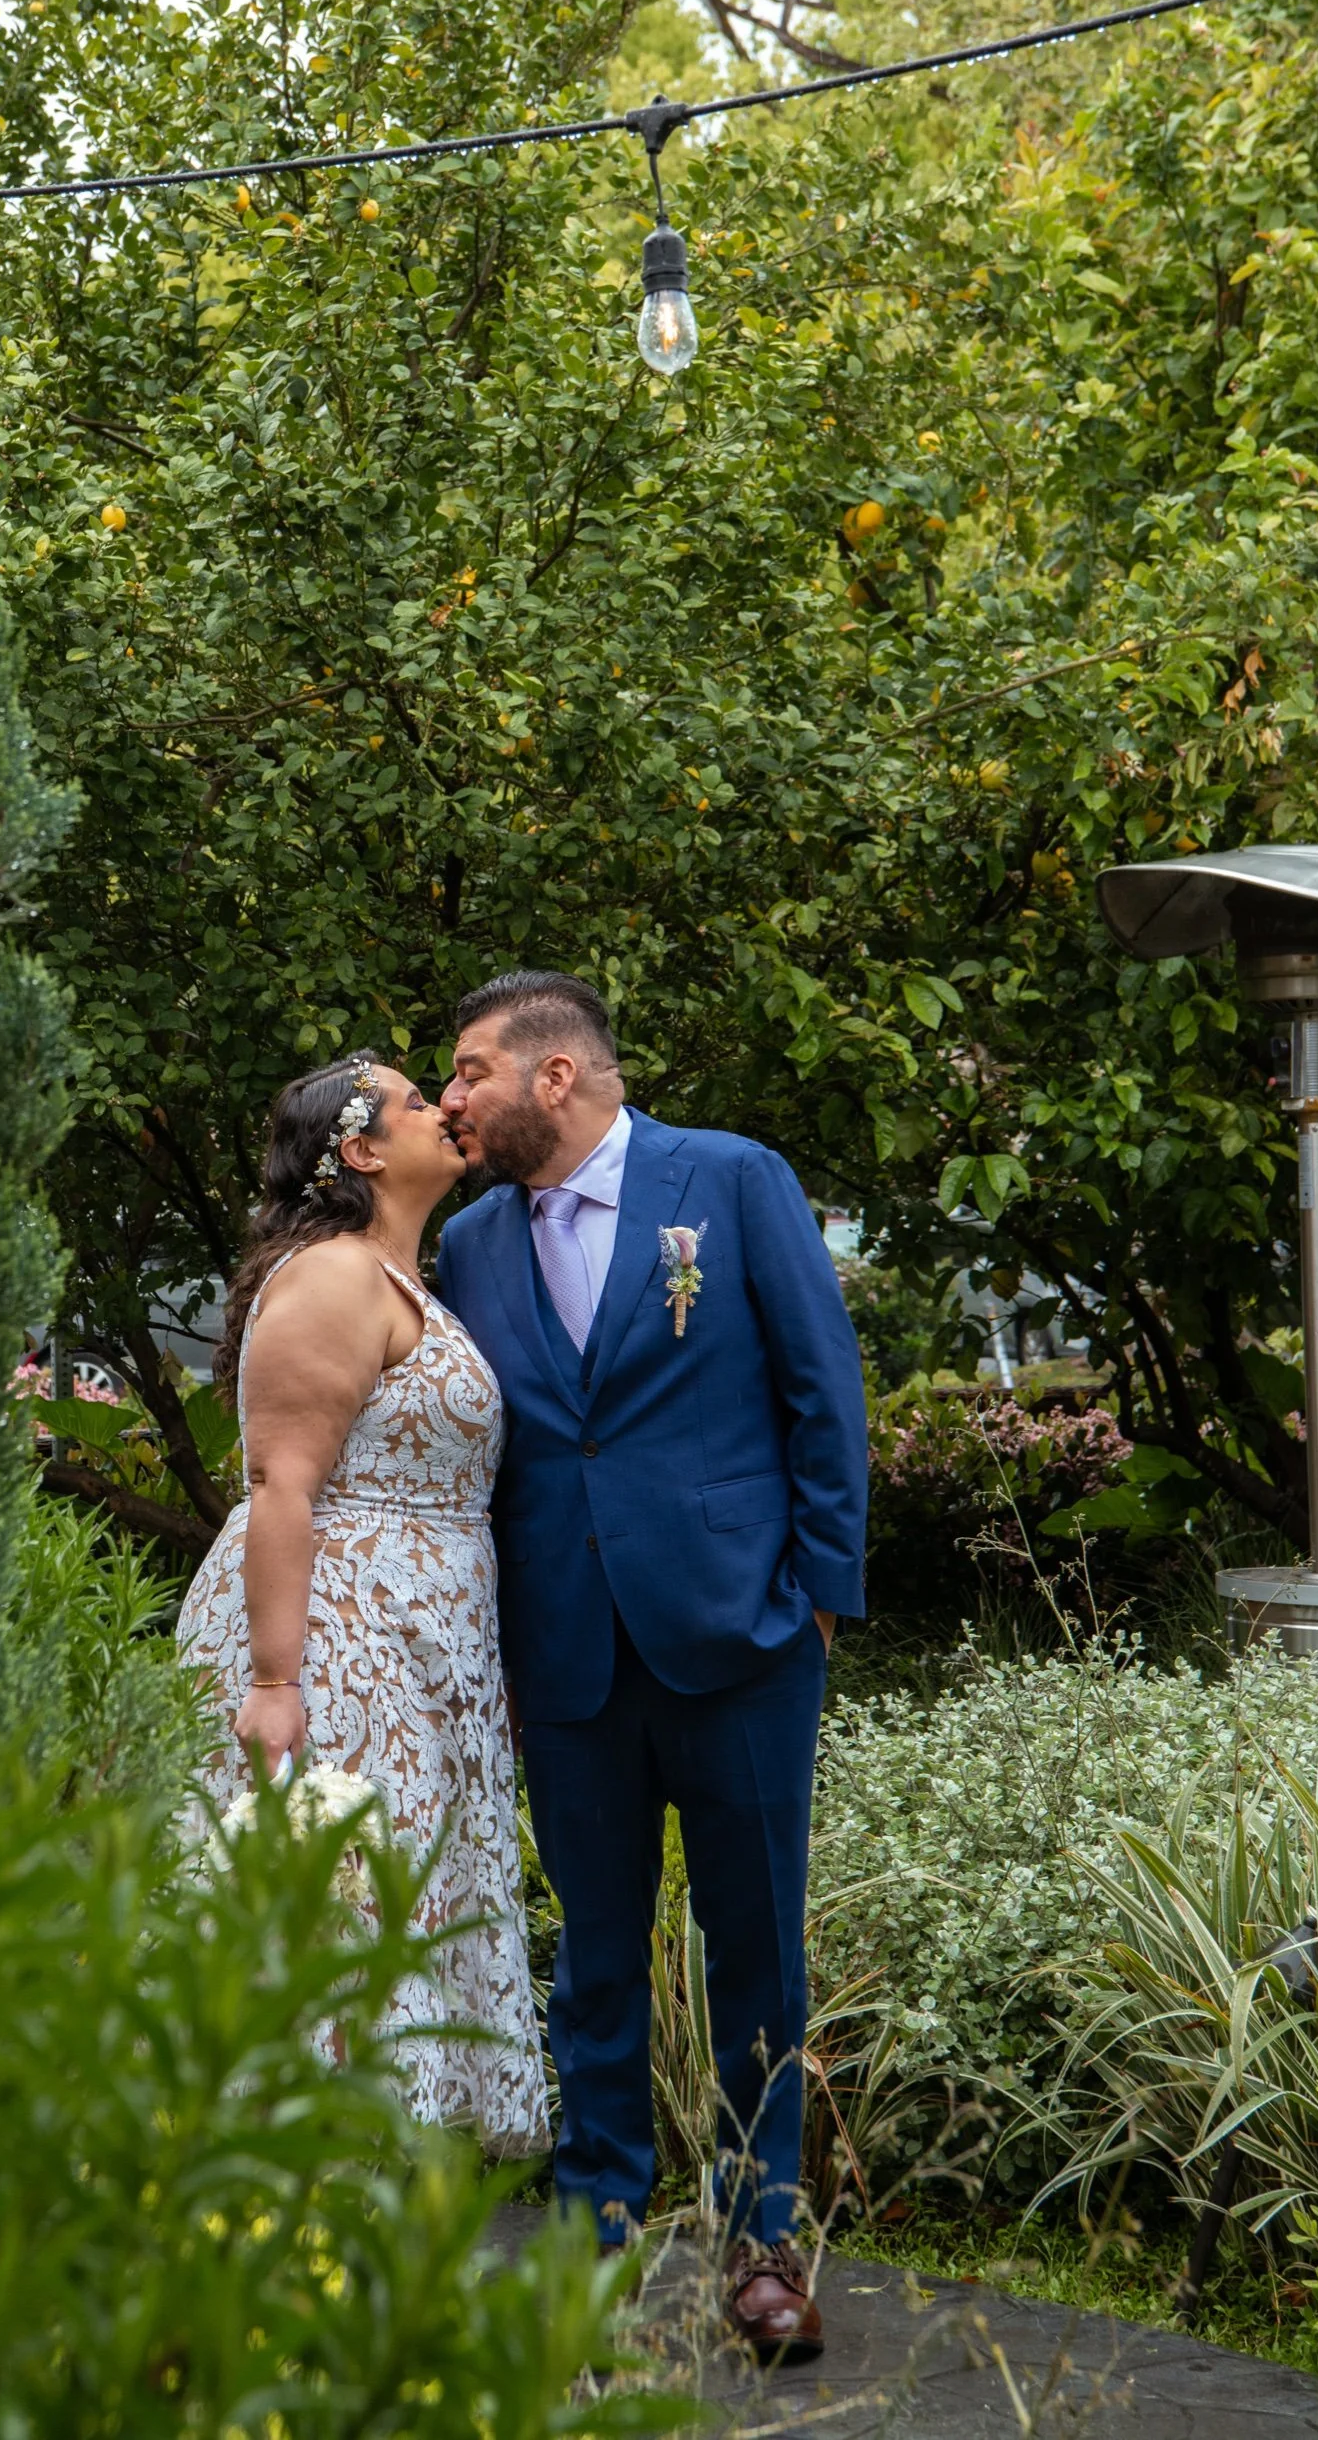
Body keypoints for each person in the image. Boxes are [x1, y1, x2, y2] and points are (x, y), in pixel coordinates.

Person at [437, 972, 867, 2359]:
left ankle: (762, 2247)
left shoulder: (730, 1182)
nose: (452, 1102)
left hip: (740, 1635)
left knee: (757, 1951)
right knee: (597, 1960)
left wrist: (817, 1601)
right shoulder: (473, 1243)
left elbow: (822, 1389)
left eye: (467, 1074)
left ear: (553, 1076)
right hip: (566, 1650)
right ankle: (598, 2232)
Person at [177, 1051, 549, 2157]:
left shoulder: (402, 1277)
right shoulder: (335, 1275)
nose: (445, 1109)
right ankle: (299, 2191)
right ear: (362, 1150)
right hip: (337, 1648)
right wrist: (277, 1681)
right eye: (417, 1101)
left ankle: (368, 2209)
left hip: (417, 1652)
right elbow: (279, 1482)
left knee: (385, 1914)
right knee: (335, 1909)